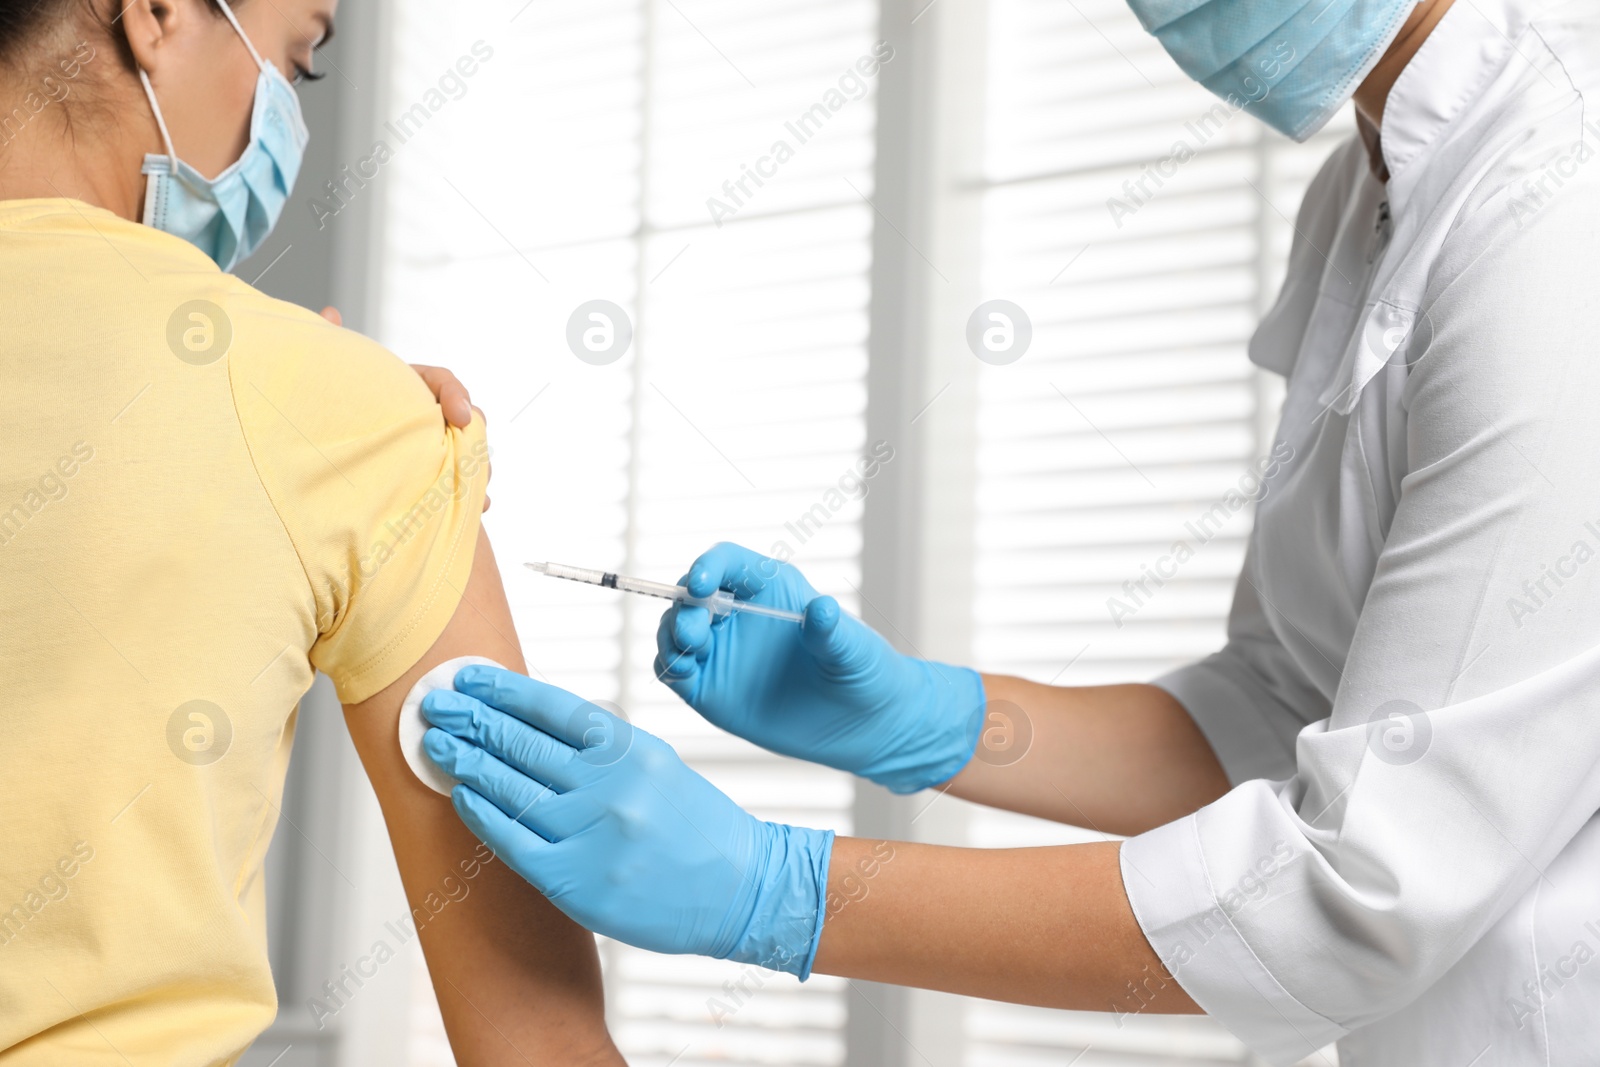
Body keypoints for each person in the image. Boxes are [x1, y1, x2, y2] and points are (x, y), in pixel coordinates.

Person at [422, 0, 1600, 1063]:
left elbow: (1366, 887)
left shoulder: (1564, 187)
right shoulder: (1363, 194)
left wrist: (769, 889)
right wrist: (931, 718)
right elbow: (1288, 707)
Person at [0, 0, 620, 1063]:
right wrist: (316, 406)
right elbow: (536, 1039)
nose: (285, 116)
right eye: (299, 61)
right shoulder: (352, 420)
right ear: (154, 15)